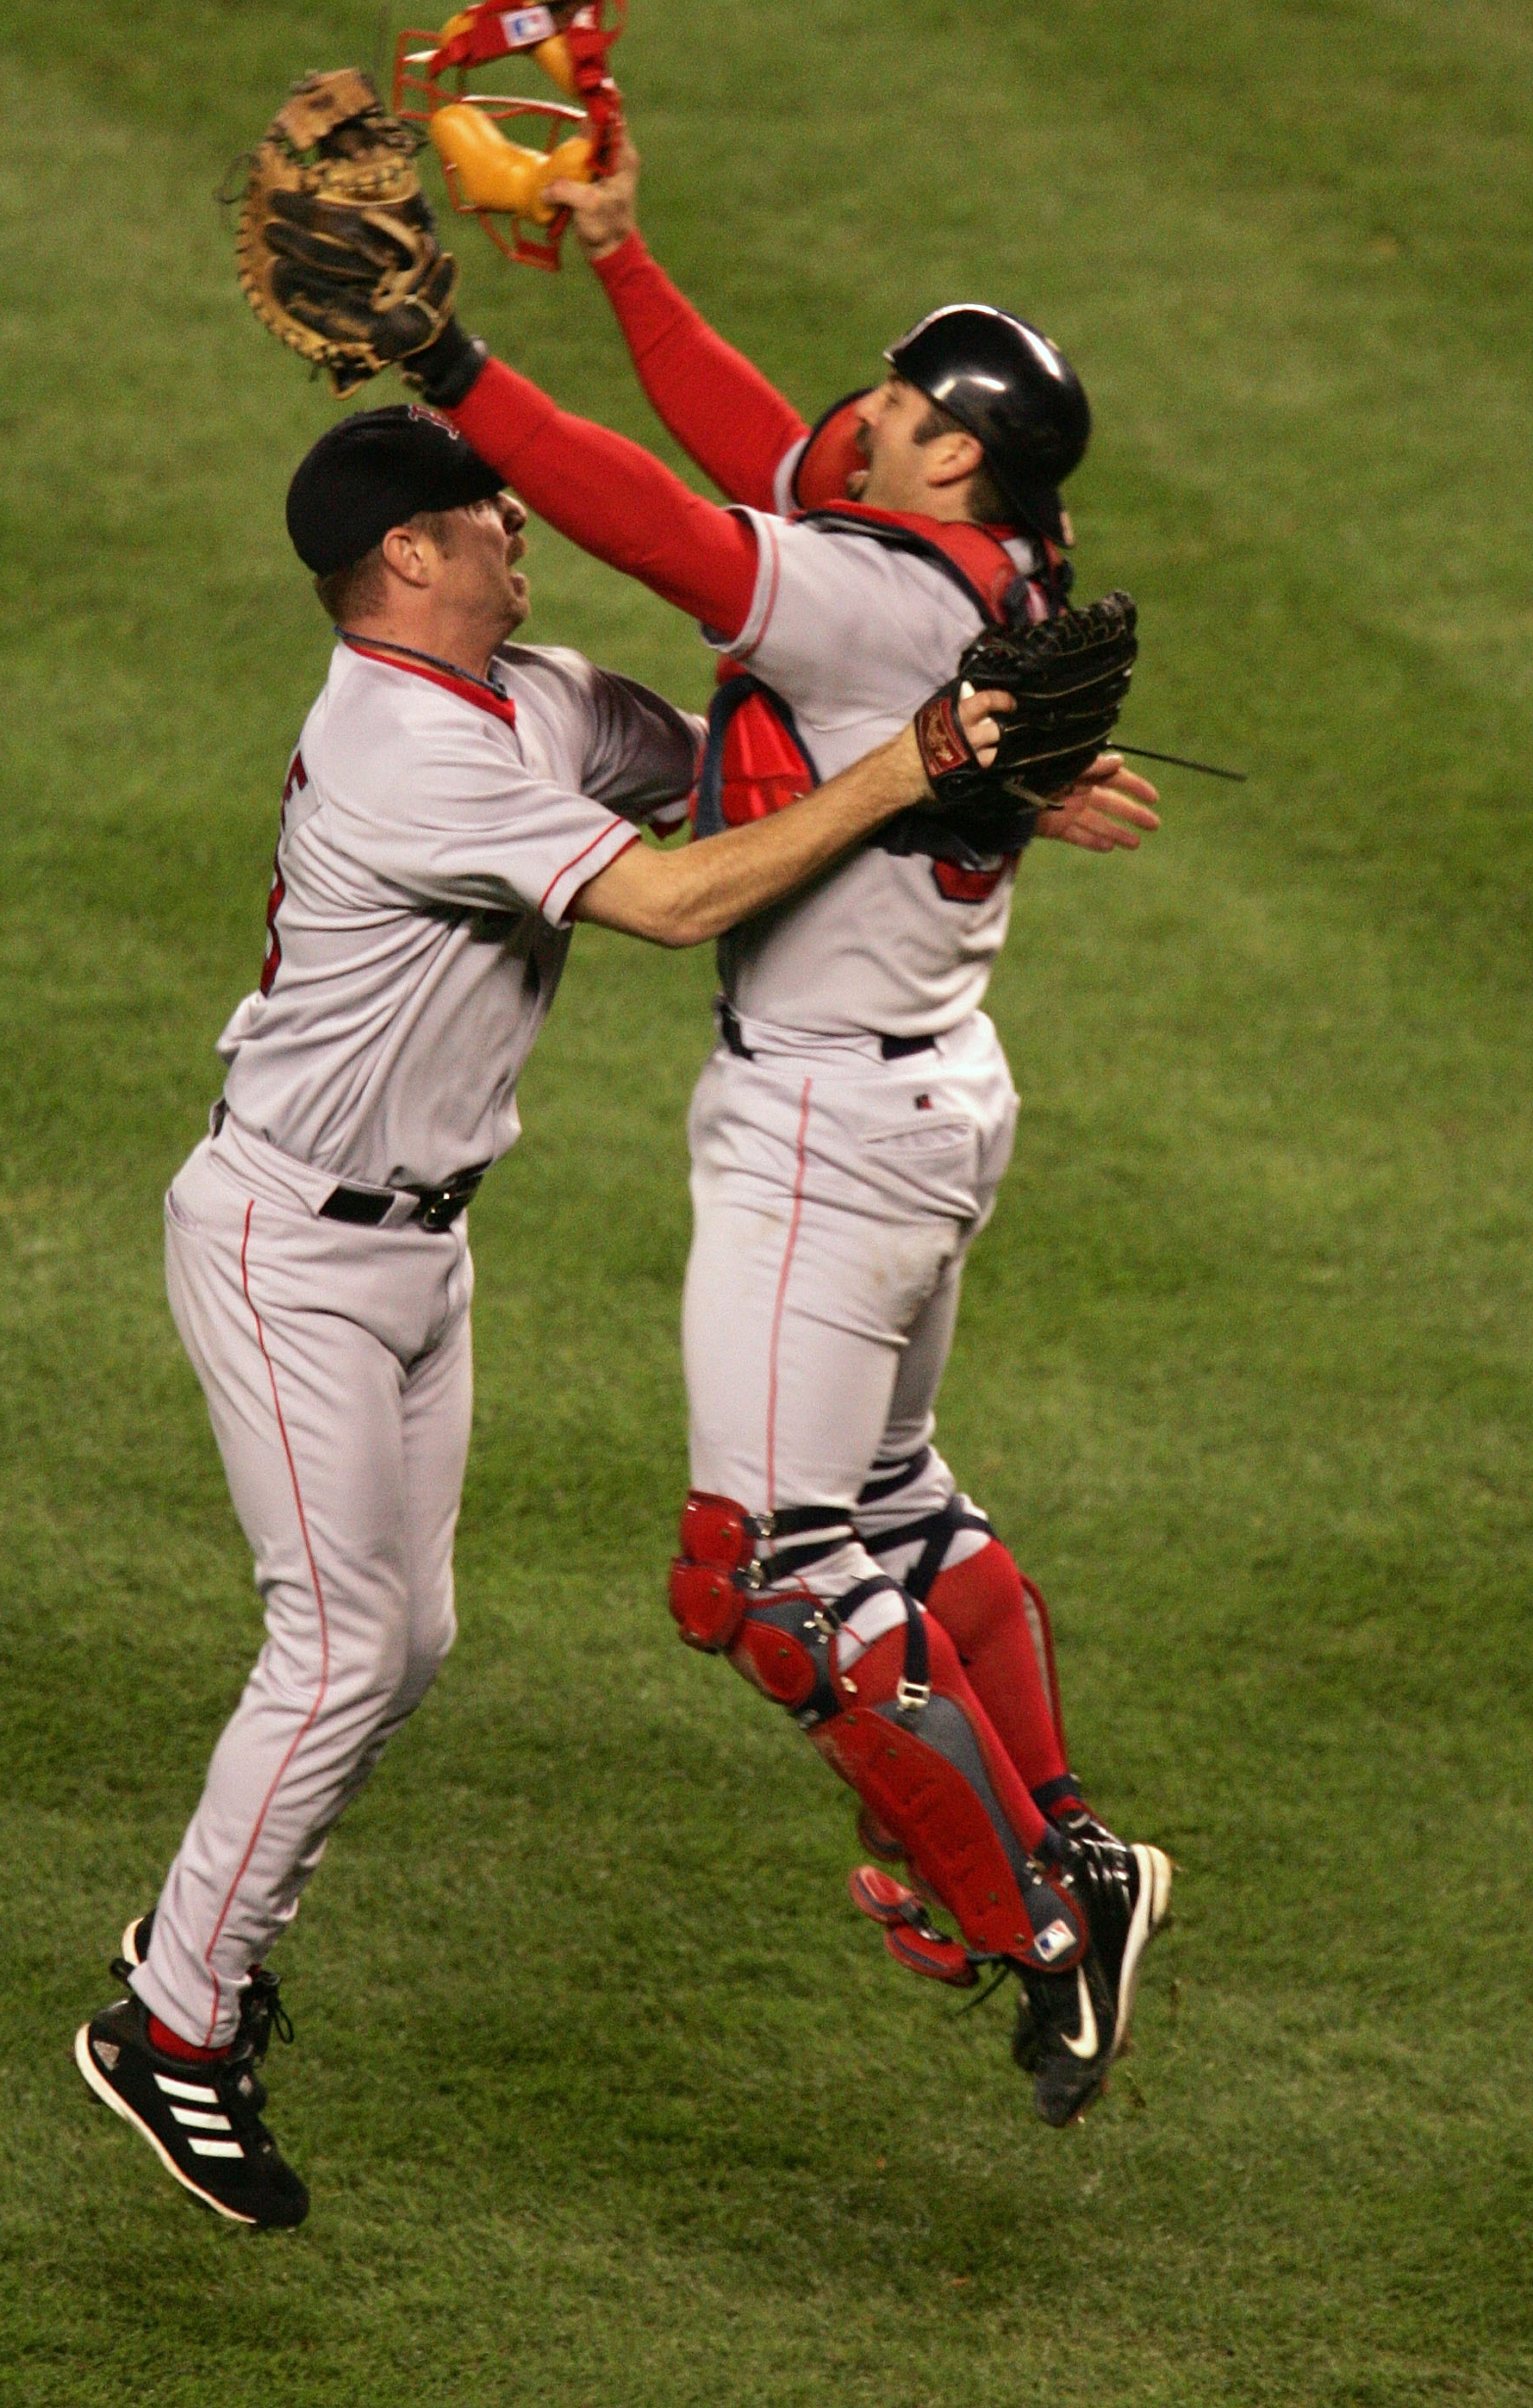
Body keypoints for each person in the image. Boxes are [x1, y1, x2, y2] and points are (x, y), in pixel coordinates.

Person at [72, 402, 1021, 2229]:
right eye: (481, 508)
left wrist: (1001, 778)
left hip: (420, 1251)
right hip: (287, 1246)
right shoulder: (393, 749)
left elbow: (748, 791)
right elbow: (673, 898)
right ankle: (171, 2025)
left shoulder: (548, 696)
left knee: (399, 1646)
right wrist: (908, 770)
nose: (521, 519)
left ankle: (198, 1953)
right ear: (407, 558)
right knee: (341, 1647)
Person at [371, 132, 1175, 2130]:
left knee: (766, 1575)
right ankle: (1071, 1846)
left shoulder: (884, 612)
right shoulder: (998, 565)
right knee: (895, 1509)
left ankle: (1036, 1938)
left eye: (898, 409)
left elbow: (663, 518)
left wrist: (452, 365)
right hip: (932, 1093)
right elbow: (767, 458)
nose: (858, 418)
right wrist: (630, 264)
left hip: (828, 1130)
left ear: (958, 463)